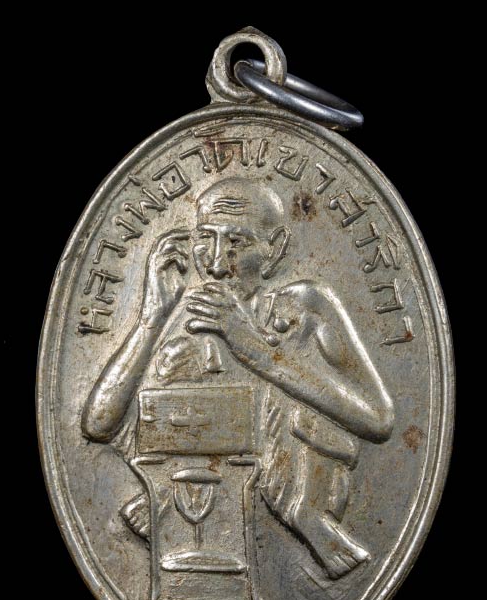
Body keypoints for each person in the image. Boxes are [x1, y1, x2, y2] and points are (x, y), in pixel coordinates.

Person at [82, 177, 394, 579]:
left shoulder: (303, 308)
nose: (215, 264)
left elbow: (378, 419)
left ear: (274, 249)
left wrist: (259, 353)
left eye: (236, 242)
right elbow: (99, 424)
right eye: (205, 238)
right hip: (193, 525)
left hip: (292, 530)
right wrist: (151, 319)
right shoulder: (185, 316)